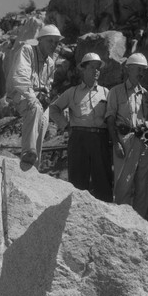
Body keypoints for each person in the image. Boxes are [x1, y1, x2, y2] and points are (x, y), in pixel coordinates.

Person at [49, 53, 113, 202]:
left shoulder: (107, 93)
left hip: (100, 138)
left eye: (98, 68)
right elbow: (53, 109)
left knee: (103, 180)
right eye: (92, 67)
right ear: (82, 69)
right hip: (78, 139)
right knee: (77, 181)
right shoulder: (72, 92)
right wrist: (66, 126)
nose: (96, 71)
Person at [105, 53, 148, 218]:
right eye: (138, 69)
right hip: (124, 140)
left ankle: (139, 223)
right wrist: (116, 143)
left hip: (144, 141)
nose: (141, 72)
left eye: (144, 69)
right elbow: (110, 119)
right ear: (129, 69)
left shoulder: (146, 94)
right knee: (123, 183)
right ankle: (122, 221)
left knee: (144, 184)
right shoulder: (116, 92)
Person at [5, 24, 63, 170]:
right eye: (50, 41)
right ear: (40, 40)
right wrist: (32, 96)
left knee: (44, 121)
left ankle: (32, 164)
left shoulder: (50, 62)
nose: (54, 45)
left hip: (38, 95)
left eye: (56, 42)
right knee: (35, 107)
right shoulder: (27, 50)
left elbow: (48, 84)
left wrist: (46, 94)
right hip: (20, 92)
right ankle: (28, 151)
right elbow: (20, 77)